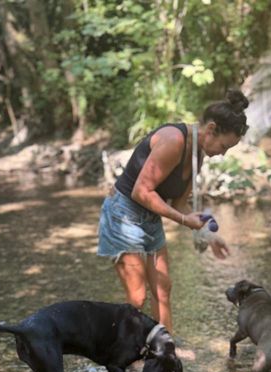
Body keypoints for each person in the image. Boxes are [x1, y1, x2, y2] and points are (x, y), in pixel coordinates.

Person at [97, 89, 249, 335]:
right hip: (123, 214)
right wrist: (183, 221)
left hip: (149, 216)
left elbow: (180, 204)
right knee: (136, 297)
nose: (223, 153)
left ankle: (165, 349)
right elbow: (141, 192)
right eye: (223, 146)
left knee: (162, 289)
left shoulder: (198, 154)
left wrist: (209, 235)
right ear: (210, 129)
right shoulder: (174, 140)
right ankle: (123, 352)